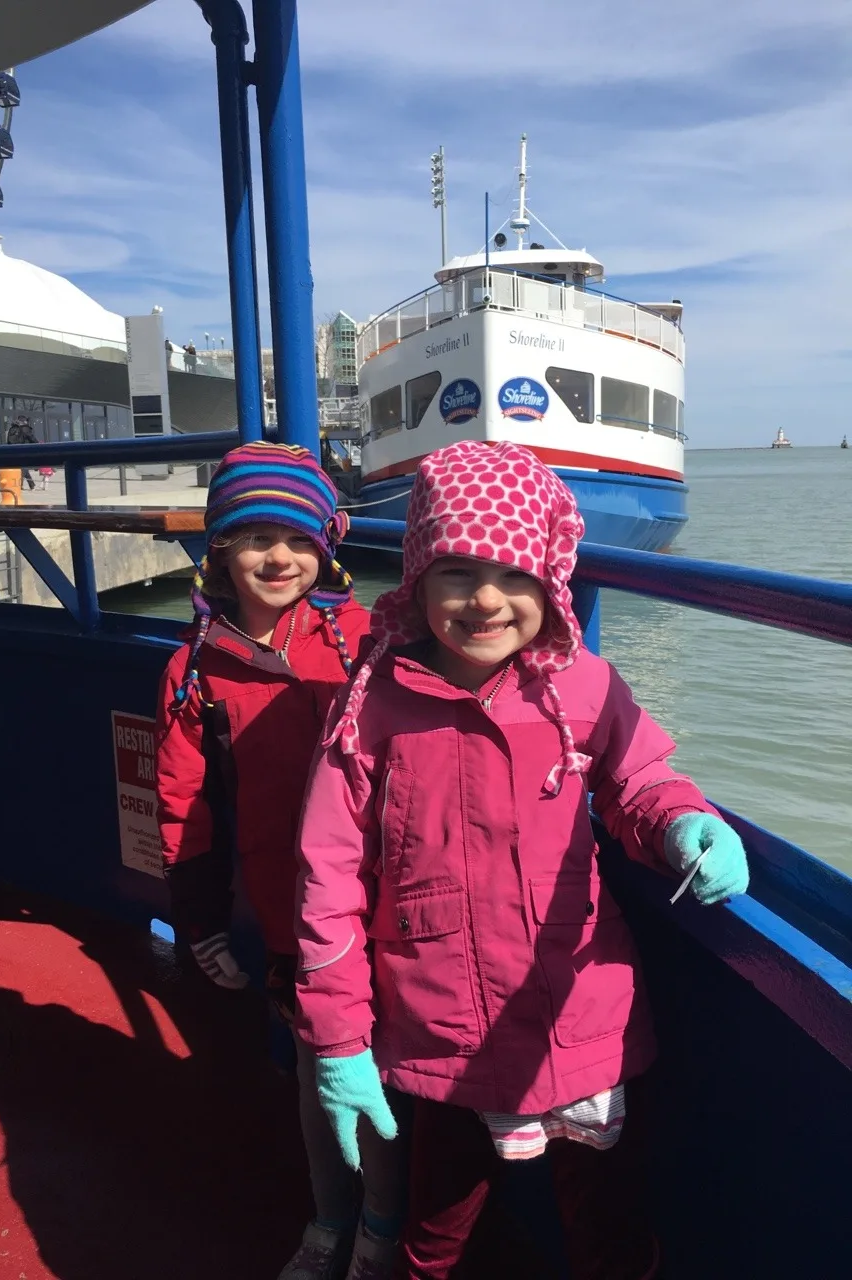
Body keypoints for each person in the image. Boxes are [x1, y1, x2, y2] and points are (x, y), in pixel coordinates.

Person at [293, 440, 751, 1280]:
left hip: (582, 1020)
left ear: (551, 580)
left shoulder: (583, 686)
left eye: (515, 577)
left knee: (608, 1223)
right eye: (457, 572)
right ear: (418, 576)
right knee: (436, 1236)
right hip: (441, 1035)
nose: (486, 601)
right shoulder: (370, 709)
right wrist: (338, 1040)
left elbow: (639, 780)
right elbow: (327, 878)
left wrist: (687, 823)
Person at [155, 440, 408, 1280]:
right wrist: (198, 921)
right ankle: (331, 1221)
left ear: (327, 548)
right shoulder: (192, 669)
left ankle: (382, 1228)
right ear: (219, 545)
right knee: (317, 1074)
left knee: (391, 1081)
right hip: (286, 910)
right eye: (257, 536)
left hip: (389, 904)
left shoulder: (366, 643)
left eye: (300, 540)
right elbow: (184, 802)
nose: (280, 557)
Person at [7, 416, 38, 490]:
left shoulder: (12, 429)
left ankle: (31, 484)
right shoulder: (25, 428)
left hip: (13, 451)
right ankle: (19, 485)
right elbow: (32, 439)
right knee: (23, 468)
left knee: (24, 468)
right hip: (23, 451)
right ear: (24, 421)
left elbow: (9, 441)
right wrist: (38, 446)